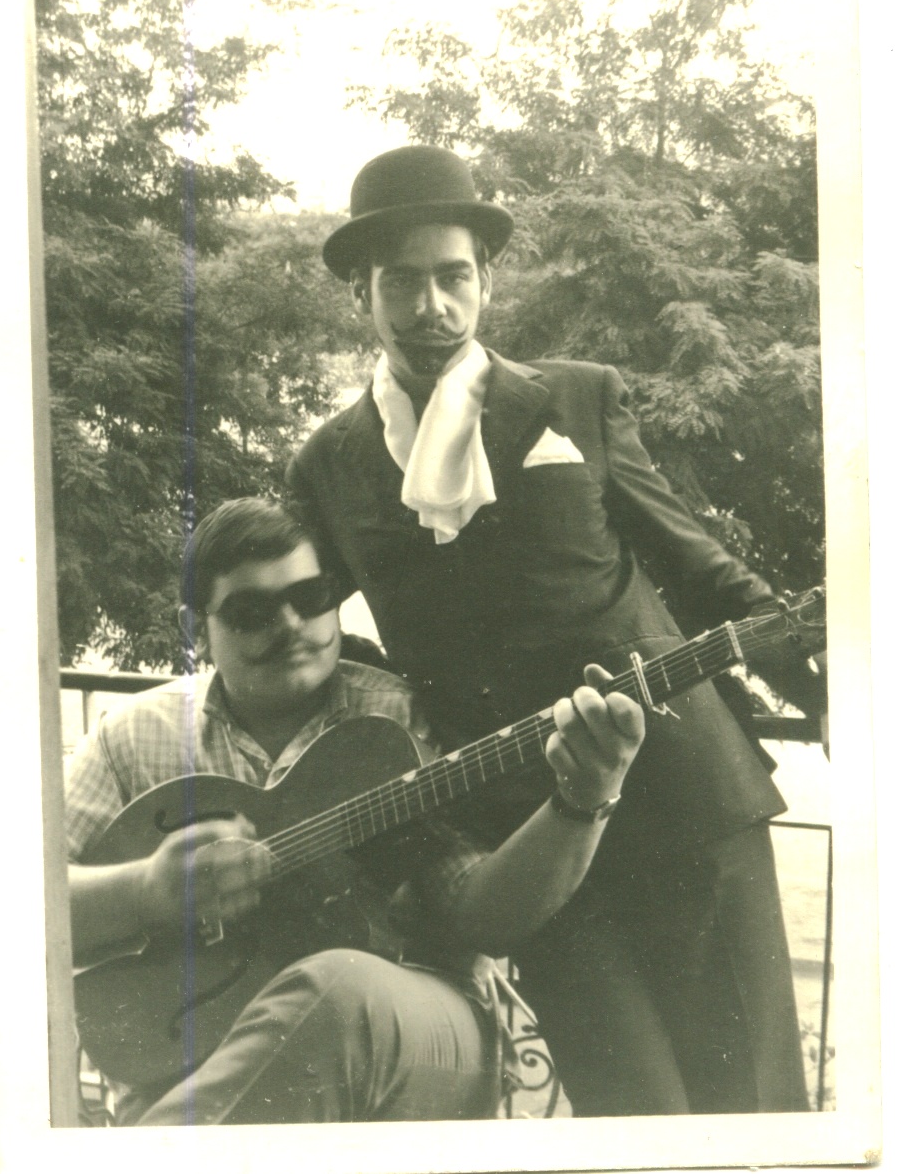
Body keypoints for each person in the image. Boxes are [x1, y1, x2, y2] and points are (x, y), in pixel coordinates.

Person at [286, 145, 827, 1116]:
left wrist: (826, 685)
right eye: (400, 282)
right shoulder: (327, 464)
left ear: (486, 282)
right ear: (359, 294)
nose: (430, 307)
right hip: (529, 843)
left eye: (453, 277)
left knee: (750, 1106)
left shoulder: (577, 396)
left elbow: (699, 566)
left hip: (687, 795)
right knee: (633, 1114)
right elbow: (306, 637)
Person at [65, 496, 645, 1126]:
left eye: (311, 597)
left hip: (412, 1031)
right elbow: (12, 909)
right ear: (193, 628)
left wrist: (583, 797)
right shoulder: (133, 736)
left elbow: (480, 915)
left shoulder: (400, 715)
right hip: (184, 1058)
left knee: (339, 989)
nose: (291, 625)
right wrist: (145, 889)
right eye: (252, 612)